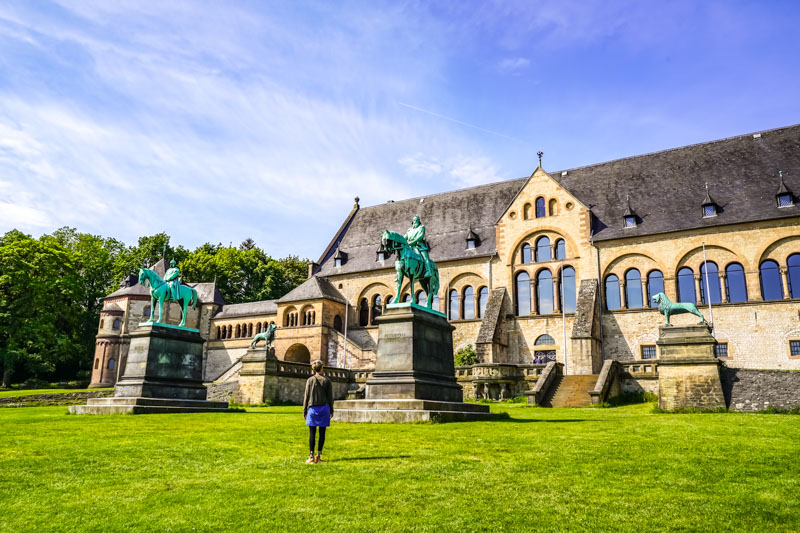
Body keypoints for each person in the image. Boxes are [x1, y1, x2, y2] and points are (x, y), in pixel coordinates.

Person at [302, 360, 334, 464]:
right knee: (322, 433)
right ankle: (318, 456)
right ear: (321, 368)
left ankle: (311, 456)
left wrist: (304, 410)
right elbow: (330, 397)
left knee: (312, 433)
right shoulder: (327, 380)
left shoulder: (310, 380)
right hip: (324, 408)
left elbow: (306, 397)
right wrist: (331, 410)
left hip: (312, 409)